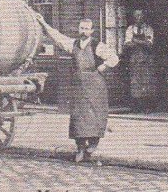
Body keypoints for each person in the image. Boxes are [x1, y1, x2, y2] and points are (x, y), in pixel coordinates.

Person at [35, 14, 119, 163]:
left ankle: (92, 145)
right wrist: (43, 23)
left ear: (91, 31)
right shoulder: (73, 44)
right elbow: (57, 37)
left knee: (95, 115)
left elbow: (114, 57)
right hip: (79, 85)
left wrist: (104, 66)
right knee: (78, 117)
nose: (84, 31)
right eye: (81, 28)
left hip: (95, 85)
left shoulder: (96, 45)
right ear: (78, 29)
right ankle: (80, 148)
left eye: (87, 29)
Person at [122, 9, 157, 113]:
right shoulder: (130, 29)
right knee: (135, 82)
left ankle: (147, 106)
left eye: (140, 16)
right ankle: (137, 107)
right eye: (136, 16)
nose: (138, 18)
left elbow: (149, 44)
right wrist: (142, 42)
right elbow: (127, 44)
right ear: (133, 17)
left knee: (147, 82)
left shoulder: (148, 28)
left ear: (144, 17)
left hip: (147, 59)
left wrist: (135, 41)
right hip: (135, 59)